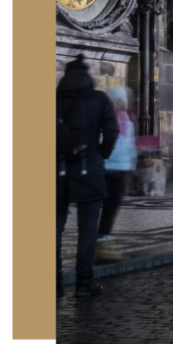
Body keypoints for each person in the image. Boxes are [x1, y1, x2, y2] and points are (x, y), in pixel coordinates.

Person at [57, 55, 119, 298]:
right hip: (89, 167)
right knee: (88, 229)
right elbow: (112, 131)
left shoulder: (53, 98)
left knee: (54, 228)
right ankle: (84, 283)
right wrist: (101, 153)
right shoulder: (98, 99)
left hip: (56, 169)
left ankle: (53, 284)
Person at [95, 85, 137, 262]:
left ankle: (100, 238)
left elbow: (127, 145)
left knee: (104, 207)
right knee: (104, 207)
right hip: (112, 168)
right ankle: (100, 238)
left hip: (113, 168)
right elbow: (126, 146)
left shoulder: (122, 120)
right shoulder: (121, 121)